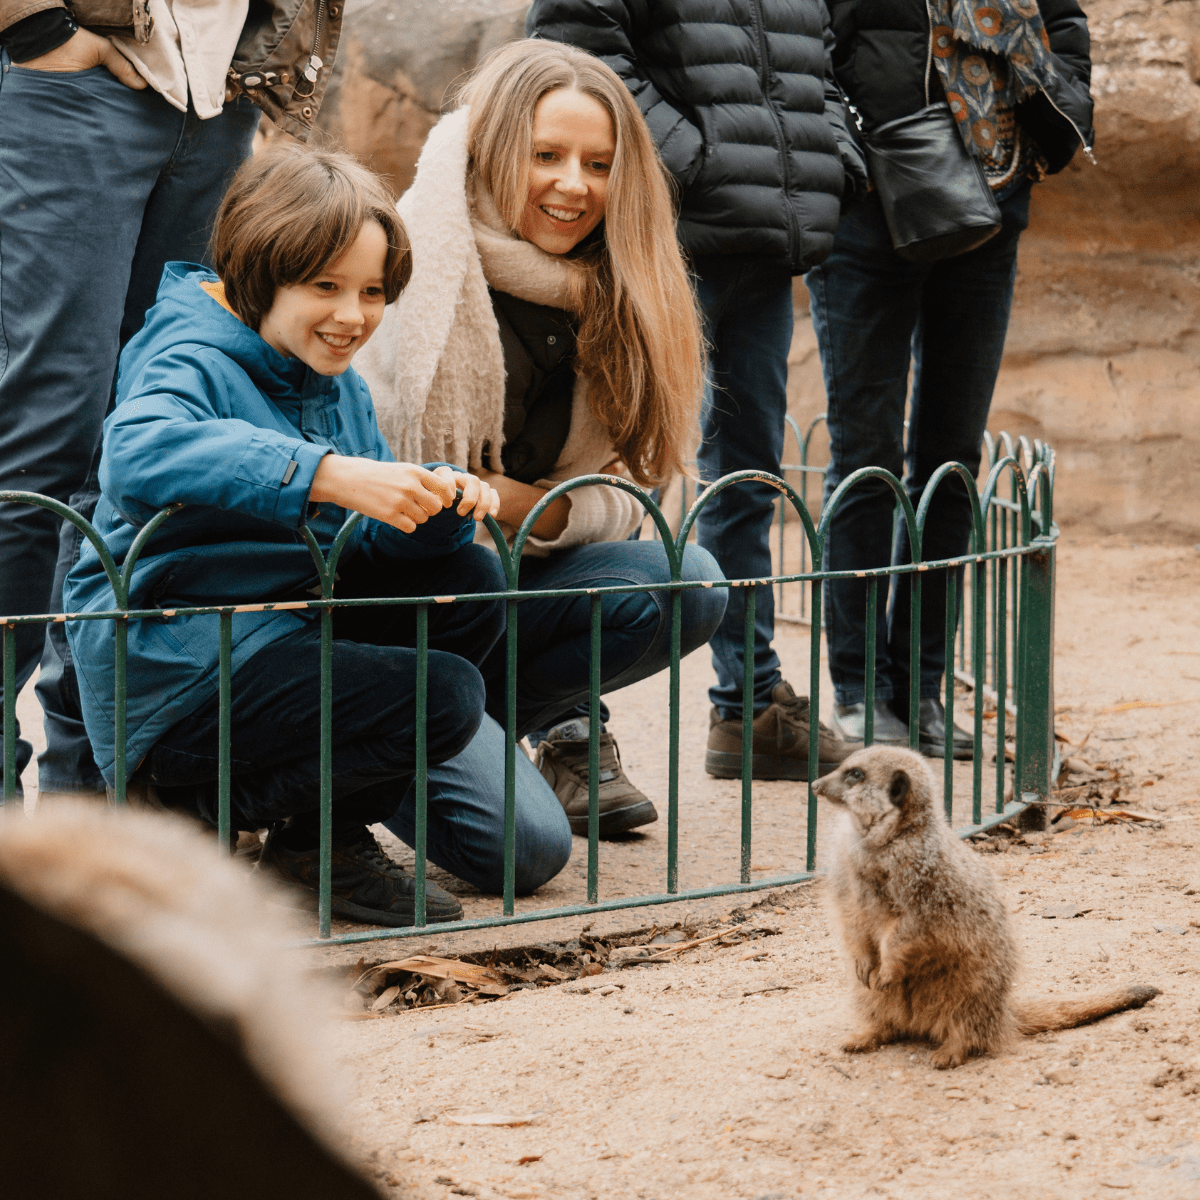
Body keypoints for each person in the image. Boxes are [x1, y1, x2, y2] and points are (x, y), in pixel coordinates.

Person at [64, 146, 573, 926]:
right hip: (182, 672)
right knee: (446, 694)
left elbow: (357, 555)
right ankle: (183, 803)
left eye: (372, 292)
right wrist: (328, 474)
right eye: (325, 287)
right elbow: (137, 449)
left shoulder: (332, 383)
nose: (353, 316)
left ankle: (317, 847)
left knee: (466, 586)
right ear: (258, 272)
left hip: (288, 633)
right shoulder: (189, 352)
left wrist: (430, 508)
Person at [355, 39, 728, 839]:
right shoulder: (401, 257)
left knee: (688, 581)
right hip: (404, 601)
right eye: (546, 156)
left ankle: (498, 726)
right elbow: (385, 472)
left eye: (598, 164)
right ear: (492, 152)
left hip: (528, 577)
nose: (574, 185)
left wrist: (530, 506)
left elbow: (640, 495)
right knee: (527, 851)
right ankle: (378, 740)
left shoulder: (625, 286)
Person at [0, 0, 343, 807]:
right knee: (47, 432)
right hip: (76, 79)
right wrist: (37, 23)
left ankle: (91, 786)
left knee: (143, 433)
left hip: (216, 97)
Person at [525, 0, 864, 783]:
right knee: (588, 467)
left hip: (763, 240)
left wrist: (827, 158)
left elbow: (824, 58)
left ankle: (749, 708)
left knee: (746, 479)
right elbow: (576, 54)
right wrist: (697, 163)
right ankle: (573, 731)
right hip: (657, 235)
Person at [807, 0, 1093, 756]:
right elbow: (806, 50)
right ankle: (861, 692)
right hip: (871, 212)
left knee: (952, 458)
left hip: (993, 203)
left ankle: (923, 690)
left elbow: (1065, 27)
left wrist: (1053, 118)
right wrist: (857, 162)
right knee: (864, 454)